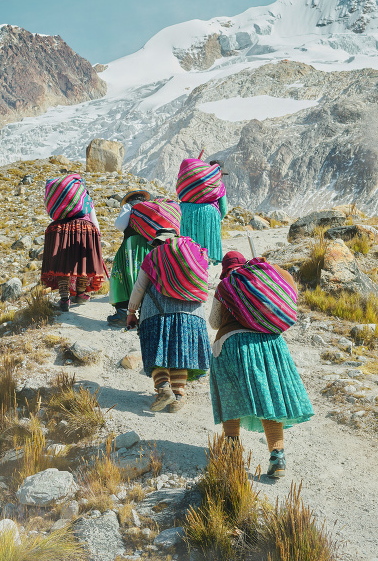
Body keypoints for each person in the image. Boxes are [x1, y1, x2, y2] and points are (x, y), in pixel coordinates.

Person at [208, 253, 313, 478]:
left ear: (225, 269)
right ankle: (278, 456)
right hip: (269, 344)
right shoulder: (262, 281)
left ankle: (232, 451)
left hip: (231, 343)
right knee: (269, 398)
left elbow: (215, 322)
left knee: (230, 396)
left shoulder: (226, 286)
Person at [126, 234, 211, 413]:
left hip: (158, 313)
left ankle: (164, 388)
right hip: (192, 315)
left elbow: (139, 287)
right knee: (181, 354)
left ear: (158, 243)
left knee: (157, 351)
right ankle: (177, 398)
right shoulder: (195, 255)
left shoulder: (154, 257)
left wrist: (131, 312)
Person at [40, 173, 108, 313]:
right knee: (83, 262)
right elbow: (94, 220)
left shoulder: (61, 202)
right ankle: (80, 294)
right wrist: (97, 236)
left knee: (63, 265)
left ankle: (65, 298)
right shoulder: (86, 199)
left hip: (59, 229)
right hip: (83, 229)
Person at [107, 190, 153, 327]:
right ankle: (146, 314)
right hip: (148, 246)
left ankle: (123, 313)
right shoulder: (150, 208)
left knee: (123, 274)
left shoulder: (129, 207)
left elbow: (120, 225)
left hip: (131, 245)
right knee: (145, 277)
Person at [176, 157, 227, 264]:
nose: (222, 176)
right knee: (204, 252)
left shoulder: (190, 183)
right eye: (222, 174)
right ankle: (202, 272)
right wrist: (216, 220)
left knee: (187, 251)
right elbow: (224, 208)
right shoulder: (219, 185)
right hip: (208, 216)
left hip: (185, 214)